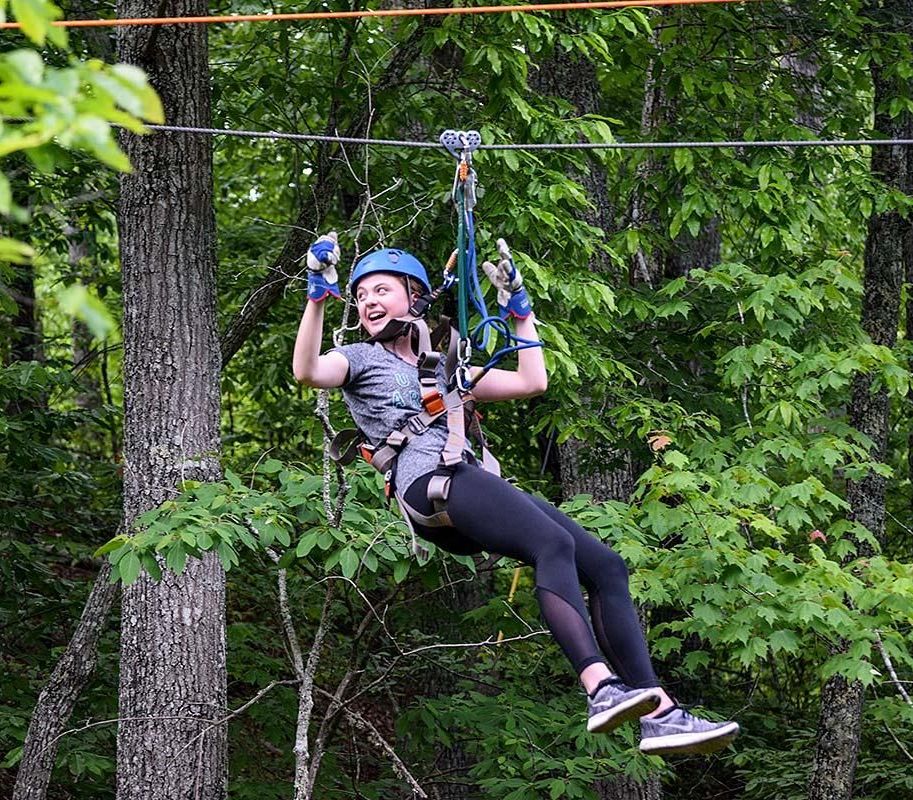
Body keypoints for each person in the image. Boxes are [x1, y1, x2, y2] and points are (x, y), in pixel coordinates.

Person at [292, 232, 739, 756]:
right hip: (428, 485)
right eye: (361, 293)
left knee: (607, 566)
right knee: (552, 546)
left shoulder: (445, 367)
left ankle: (659, 711)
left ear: (415, 297)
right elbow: (308, 371)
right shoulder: (359, 360)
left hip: (470, 482)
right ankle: (599, 686)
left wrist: (519, 310)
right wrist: (317, 294)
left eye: (381, 290)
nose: (368, 300)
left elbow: (533, 381)